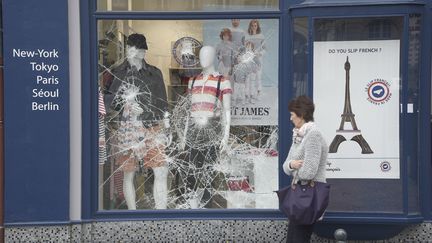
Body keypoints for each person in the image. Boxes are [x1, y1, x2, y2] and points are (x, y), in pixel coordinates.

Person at [103, 33, 170, 210]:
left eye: (137, 49)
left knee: (160, 171)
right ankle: (132, 214)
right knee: (128, 173)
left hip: (152, 127)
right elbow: (109, 103)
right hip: (128, 129)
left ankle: (161, 213)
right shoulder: (117, 73)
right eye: (129, 49)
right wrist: (124, 105)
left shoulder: (154, 73)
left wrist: (153, 116)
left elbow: (163, 103)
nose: (132, 53)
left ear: (143, 52)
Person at [179, 45, 232, 208]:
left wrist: (225, 136)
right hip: (194, 128)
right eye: (201, 55)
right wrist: (184, 135)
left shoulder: (222, 81)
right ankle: (193, 205)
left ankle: (206, 207)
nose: (203, 58)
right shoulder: (193, 80)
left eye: (207, 55)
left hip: (212, 128)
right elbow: (188, 110)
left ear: (214, 57)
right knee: (191, 170)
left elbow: (227, 110)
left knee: (208, 170)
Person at [282, 96, 328, 243]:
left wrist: (294, 167)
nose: (290, 118)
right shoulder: (298, 136)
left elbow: (309, 172)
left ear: (301, 115)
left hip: (308, 198)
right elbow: (285, 166)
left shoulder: (313, 135)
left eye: (292, 115)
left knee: (299, 239)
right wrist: (292, 165)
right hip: (300, 198)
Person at [245, 19, 266, 99]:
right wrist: (249, 53)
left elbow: (265, 49)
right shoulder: (247, 36)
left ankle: (258, 94)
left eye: (255, 25)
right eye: (252, 25)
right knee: (249, 77)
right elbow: (245, 48)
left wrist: (259, 53)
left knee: (258, 77)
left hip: (258, 59)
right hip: (249, 60)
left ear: (257, 26)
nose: (254, 27)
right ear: (250, 26)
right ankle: (249, 94)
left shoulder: (261, 36)